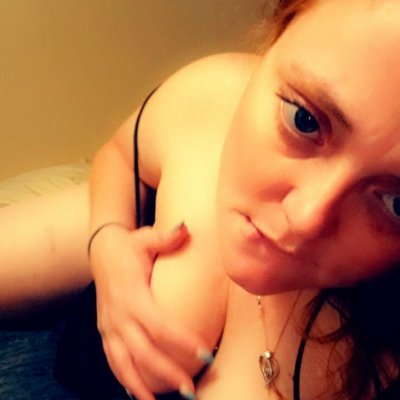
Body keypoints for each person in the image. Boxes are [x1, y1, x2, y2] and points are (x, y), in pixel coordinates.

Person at [3, 0, 400, 399]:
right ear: (276, 36)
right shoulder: (213, 97)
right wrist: (107, 241)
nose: (306, 217)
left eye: (396, 203)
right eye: (305, 120)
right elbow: (121, 157)